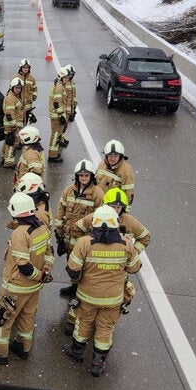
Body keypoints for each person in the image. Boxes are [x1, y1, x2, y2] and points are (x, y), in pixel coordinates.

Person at [63, 205, 142, 377]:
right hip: (113, 298)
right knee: (105, 329)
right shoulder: (126, 244)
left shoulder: (84, 243)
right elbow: (134, 268)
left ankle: (77, 352)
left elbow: (72, 270)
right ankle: (97, 364)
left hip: (87, 296)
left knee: (83, 322)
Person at [0, 193, 53, 364]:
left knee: (1, 319)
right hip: (33, 289)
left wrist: (38, 275)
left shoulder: (20, 234)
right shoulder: (42, 227)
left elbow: (24, 266)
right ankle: (23, 347)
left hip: (16, 287)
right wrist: (45, 273)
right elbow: (49, 253)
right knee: (27, 318)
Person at [71, 187, 149, 329]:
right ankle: (74, 322)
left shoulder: (129, 222)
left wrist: (132, 252)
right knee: (84, 302)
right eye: (113, 206)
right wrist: (83, 249)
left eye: (119, 207)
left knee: (106, 303)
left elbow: (145, 237)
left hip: (117, 271)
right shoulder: (96, 216)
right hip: (93, 268)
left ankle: (94, 329)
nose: (116, 209)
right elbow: (77, 229)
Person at [54, 159, 104, 302]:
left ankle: (83, 293)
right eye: (80, 175)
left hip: (85, 240)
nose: (83, 178)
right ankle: (74, 287)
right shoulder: (68, 191)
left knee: (85, 267)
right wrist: (59, 232)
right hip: (69, 238)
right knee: (71, 263)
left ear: (91, 177)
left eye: (86, 175)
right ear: (77, 176)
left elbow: (100, 217)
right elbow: (60, 210)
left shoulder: (98, 194)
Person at [95, 139, 135, 204]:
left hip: (113, 207)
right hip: (98, 204)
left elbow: (128, 194)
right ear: (106, 156)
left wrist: (123, 212)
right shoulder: (101, 165)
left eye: (115, 156)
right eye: (110, 156)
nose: (112, 159)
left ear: (121, 156)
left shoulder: (127, 171)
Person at [2, 77, 27, 168]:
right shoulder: (11, 98)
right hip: (12, 126)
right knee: (12, 143)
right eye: (16, 88)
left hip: (14, 125)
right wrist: (14, 127)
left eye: (20, 88)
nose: (18, 90)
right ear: (12, 88)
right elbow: (9, 114)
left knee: (8, 142)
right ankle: (8, 163)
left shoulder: (15, 97)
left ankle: (4, 158)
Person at [47, 66, 70, 163]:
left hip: (56, 115)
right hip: (57, 116)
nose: (67, 79)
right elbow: (57, 103)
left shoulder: (59, 85)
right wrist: (61, 115)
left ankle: (54, 153)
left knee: (56, 134)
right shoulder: (60, 87)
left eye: (67, 78)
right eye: (65, 78)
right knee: (56, 135)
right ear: (61, 78)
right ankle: (52, 156)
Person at [59, 65, 77, 148]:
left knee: (65, 126)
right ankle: (59, 139)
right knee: (61, 126)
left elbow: (73, 96)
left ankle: (61, 137)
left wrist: (74, 109)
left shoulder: (72, 81)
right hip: (65, 108)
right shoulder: (64, 82)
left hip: (70, 108)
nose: (71, 76)